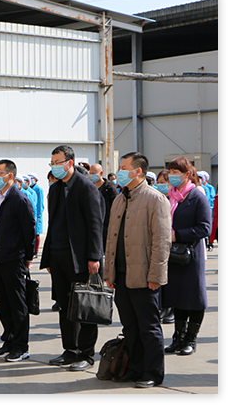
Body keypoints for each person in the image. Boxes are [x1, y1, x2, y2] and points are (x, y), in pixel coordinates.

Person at [104, 152, 172, 388]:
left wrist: (156, 275)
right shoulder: (119, 199)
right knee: (130, 326)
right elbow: (111, 239)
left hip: (144, 275)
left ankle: (152, 372)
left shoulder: (155, 199)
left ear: (138, 171)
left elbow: (162, 242)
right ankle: (134, 367)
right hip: (122, 275)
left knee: (148, 327)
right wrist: (109, 272)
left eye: (124, 167)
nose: (120, 171)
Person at [40, 145, 105, 371]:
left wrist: (94, 256)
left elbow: (95, 225)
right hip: (58, 256)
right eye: (52, 163)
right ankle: (70, 350)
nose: (54, 167)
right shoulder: (56, 188)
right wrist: (48, 257)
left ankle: (86, 354)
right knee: (65, 307)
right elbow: (53, 224)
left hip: (80, 258)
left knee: (84, 307)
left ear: (69, 163)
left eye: (57, 162)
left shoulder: (86, 187)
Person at [163, 157, 212, 356]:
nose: (172, 176)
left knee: (194, 297)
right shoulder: (170, 196)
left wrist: (178, 235)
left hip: (190, 255)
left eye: (176, 172)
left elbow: (205, 228)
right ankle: (178, 337)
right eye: (170, 172)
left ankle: (191, 339)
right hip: (173, 255)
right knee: (178, 296)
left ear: (187, 174)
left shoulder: (196, 196)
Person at [0, 160, 36, 362]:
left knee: (17, 303)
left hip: (13, 257)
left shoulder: (19, 199)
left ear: (10, 176)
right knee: (4, 302)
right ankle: (8, 340)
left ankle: (21, 346)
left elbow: (29, 230)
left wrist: (28, 257)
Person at [89, 163, 119, 248]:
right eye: (90, 173)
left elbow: (116, 207)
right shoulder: (89, 187)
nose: (91, 176)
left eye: (93, 173)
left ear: (101, 173)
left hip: (106, 227)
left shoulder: (110, 189)